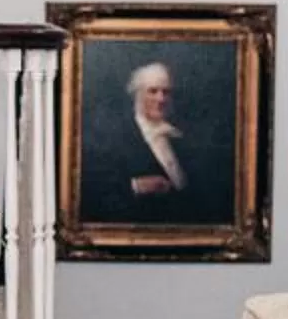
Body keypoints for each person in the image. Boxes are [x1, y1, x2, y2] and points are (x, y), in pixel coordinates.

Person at [82, 58, 230, 225]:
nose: (161, 99)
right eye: (152, 91)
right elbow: (92, 188)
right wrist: (137, 186)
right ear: (138, 95)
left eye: (166, 92)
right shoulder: (115, 135)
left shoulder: (179, 135)